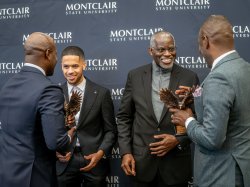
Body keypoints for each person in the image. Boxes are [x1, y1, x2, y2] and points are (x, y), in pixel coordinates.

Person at [170, 15, 250, 187]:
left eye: (199, 45)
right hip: (241, 170)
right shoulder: (245, 68)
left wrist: (187, 120)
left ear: (205, 41)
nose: (200, 51)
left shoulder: (219, 77)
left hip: (220, 176)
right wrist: (199, 95)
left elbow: (212, 139)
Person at [116, 31, 199, 187]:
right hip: (141, 165)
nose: (167, 54)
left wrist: (178, 139)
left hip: (176, 165)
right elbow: (124, 117)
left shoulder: (191, 77)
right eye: (161, 49)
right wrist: (126, 152)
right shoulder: (134, 76)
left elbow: (198, 117)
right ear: (151, 51)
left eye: (171, 49)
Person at [0, 32, 74, 187]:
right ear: (48, 53)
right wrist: (68, 136)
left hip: (7, 175)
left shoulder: (8, 85)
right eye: (56, 54)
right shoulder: (49, 89)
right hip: (35, 177)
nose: (56, 59)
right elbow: (56, 142)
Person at [56, 46, 117, 187]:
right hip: (64, 162)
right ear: (61, 66)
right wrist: (55, 151)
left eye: (75, 66)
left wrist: (100, 153)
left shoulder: (102, 93)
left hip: (94, 161)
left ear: (84, 64)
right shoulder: (55, 93)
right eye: (66, 66)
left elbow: (111, 131)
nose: (70, 71)